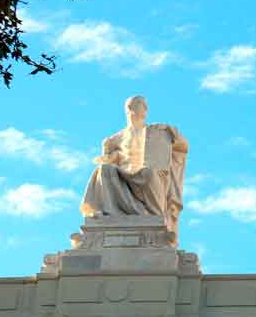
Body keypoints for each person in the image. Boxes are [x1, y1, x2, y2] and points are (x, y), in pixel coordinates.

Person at [80, 95, 189, 239]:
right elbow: (108, 160)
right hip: (124, 175)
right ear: (130, 109)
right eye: (142, 105)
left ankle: (155, 217)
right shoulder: (117, 138)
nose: (146, 109)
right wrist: (106, 152)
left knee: (148, 173)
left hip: (147, 175)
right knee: (104, 169)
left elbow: (183, 146)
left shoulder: (155, 131)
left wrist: (171, 131)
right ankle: (110, 211)